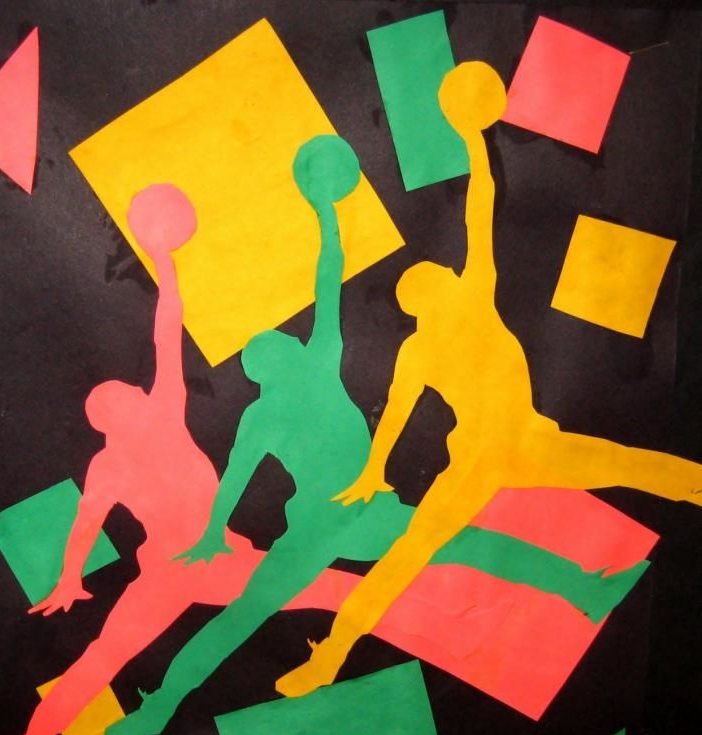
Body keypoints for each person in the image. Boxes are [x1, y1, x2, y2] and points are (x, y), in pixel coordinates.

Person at [107, 135, 641, 735]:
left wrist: (325, 213)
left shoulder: (316, 365)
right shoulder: (270, 408)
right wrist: (210, 532)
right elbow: (235, 478)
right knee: (244, 616)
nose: (283, 345)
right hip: (317, 525)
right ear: (267, 367)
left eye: (279, 343)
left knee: (469, 546)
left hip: (366, 510)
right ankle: (161, 706)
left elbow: (329, 276)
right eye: (271, 349)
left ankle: (583, 587)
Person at [275, 62, 702, 699]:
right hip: (486, 456)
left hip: (518, 445)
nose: (447, 275)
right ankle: (330, 656)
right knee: (414, 554)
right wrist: (375, 468)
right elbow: (396, 412)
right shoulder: (445, 325)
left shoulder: (455, 314)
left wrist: (477, 142)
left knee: (637, 467)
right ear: (428, 296)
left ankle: (330, 656)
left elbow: (481, 210)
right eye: (434, 280)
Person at [0, 184, 267, 735]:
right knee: (99, 661)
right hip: (178, 570)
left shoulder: (155, 419)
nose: (137, 391)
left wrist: (164, 260)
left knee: (339, 592)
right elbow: (86, 524)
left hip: (214, 559)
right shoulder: (136, 439)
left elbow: (167, 328)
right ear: (117, 415)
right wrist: (67, 576)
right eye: (127, 395)